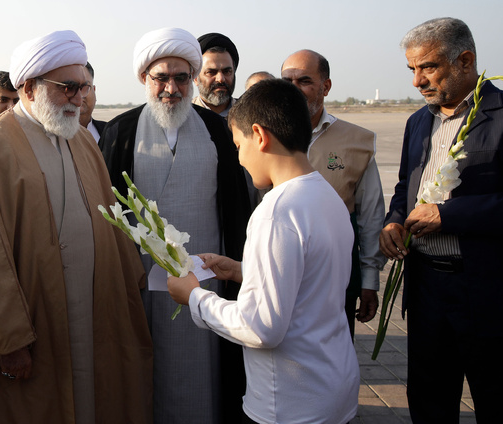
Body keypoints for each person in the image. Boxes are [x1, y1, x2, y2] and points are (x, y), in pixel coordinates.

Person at [0, 30, 152, 423]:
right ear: (30, 88)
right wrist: (10, 338)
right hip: (37, 326)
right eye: (68, 87)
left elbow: (112, 228)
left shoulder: (82, 140)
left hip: (94, 314)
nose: (79, 98)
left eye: (83, 87)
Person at [167, 79, 360, 424]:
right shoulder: (326, 195)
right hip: (333, 385)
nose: (239, 158)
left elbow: (260, 328)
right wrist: (242, 270)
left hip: (290, 402)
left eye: (238, 145)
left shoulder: (276, 211)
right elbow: (311, 278)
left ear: (259, 135)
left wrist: (194, 297)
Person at [100, 27, 251, 423]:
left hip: (208, 282)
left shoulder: (219, 130)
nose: (171, 87)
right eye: (161, 78)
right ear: (144, 79)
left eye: (181, 77)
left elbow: (236, 212)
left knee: (205, 375)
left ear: (193, 79)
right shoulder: (121, 131)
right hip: (142, 286)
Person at [379, 17, 503, 423]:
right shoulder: (418, 122)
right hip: (426, 290)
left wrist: (450, 215)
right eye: (412, 70)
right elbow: (405, 187)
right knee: (430, 400)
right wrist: (393, 222)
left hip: (489, 292)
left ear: (465, 60)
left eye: (428, 67)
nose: (418, 81)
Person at [281, 49, 385, 336]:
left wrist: (369, 280)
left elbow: (371, 215)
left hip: (337, 274)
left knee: (334, 352)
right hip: (279, 269)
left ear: (325, 86)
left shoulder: (357, 142)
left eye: (304, 81)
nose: (294, 90)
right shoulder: (264, 136)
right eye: (286, 81)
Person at [192, 32, 239, 117]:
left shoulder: (251, 115)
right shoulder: (183, 117)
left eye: (227, 71)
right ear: (195, 78)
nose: (220, 79)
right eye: (211, 72)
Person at [80, 61, 105, 142]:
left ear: (94, 90)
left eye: (85, 87)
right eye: (71, 87)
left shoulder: (112, 132)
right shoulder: (47, 138)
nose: (79, 95)